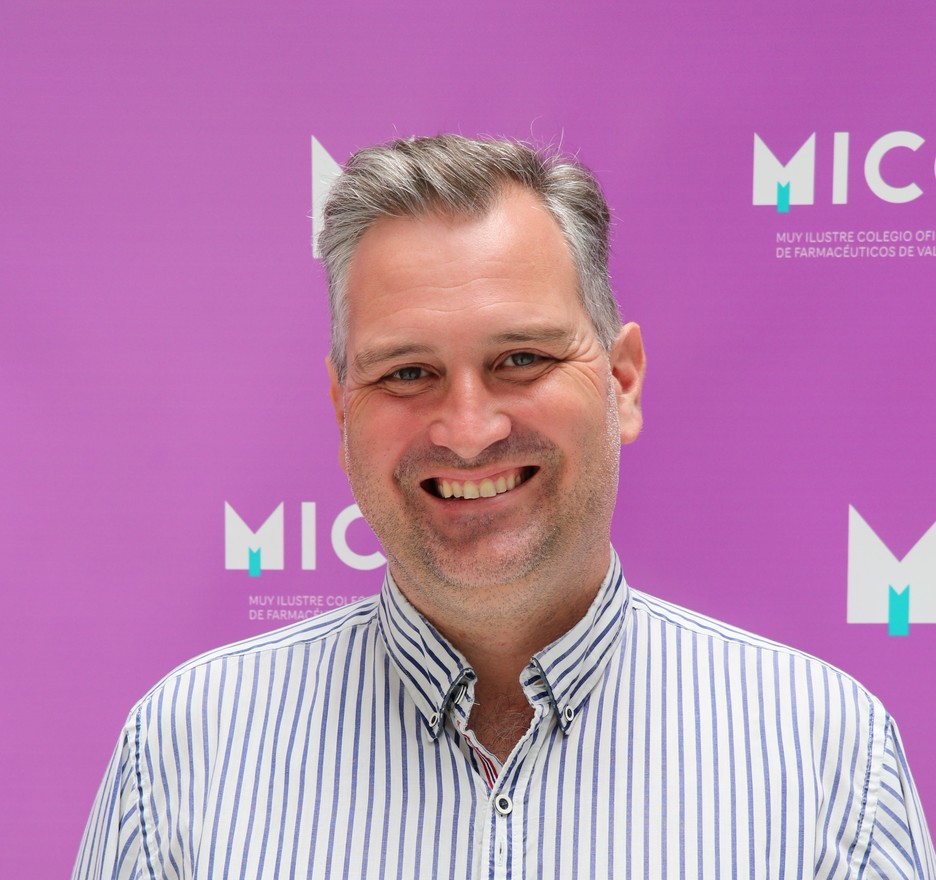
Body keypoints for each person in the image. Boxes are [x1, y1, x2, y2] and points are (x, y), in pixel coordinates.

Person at [74, 134, 935, 879]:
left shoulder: (825, 757)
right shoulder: (186, 755)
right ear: (342, 414)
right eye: (407, 373)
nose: (468, 429)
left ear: (622, 382)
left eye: (521, 358)